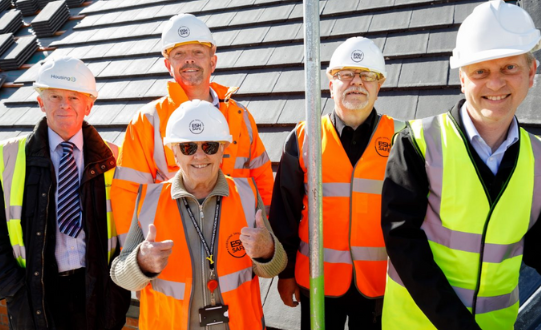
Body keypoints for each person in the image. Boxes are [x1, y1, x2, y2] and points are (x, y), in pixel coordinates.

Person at [381, 1, 541, 329]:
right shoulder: (417, 142)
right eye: (480, 71)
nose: (495, 84)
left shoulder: (538, 160)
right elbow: (404, 244)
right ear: (462, 80)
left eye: (509, 67)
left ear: (531, 72)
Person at [110, 99, 287, 329]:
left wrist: (268, 250)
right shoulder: (149, 201)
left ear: (223, 149)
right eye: (188, 147)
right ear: (174, 152)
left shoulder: (247, 194)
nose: (200, 156)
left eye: (210, 146)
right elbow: (120, 275)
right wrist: (140, 263)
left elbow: (276, 266)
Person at [269, 36, 405, 329]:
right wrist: (286, 273)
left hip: (379, 287)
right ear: (331, 84)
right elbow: (285, 212)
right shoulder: (304, 138)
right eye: (346, 74)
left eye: (367, 75)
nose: (356, 82)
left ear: (379, 85)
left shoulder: (401, 140)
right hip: (316, 282)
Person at [111, 13, 274, 249]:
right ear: (168, 65)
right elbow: (127, 194)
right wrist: (137, 258)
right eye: (179, 54)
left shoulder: (241, 117)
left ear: (212, 61)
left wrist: (265, 239)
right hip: (173, 254)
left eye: (198, 52)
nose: (190, 60)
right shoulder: (147, 121)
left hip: (235, 249)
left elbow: (262, 181)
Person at [0, 56, 131, 330]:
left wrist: (117, 291)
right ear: (40, 102)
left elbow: (129, 232)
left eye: (74, 97)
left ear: (89, 105)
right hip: (35, 294)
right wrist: (13, 287)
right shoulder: (8, 156)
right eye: (55, 96)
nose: (64, 104)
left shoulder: (114, 158)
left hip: (96, 292)